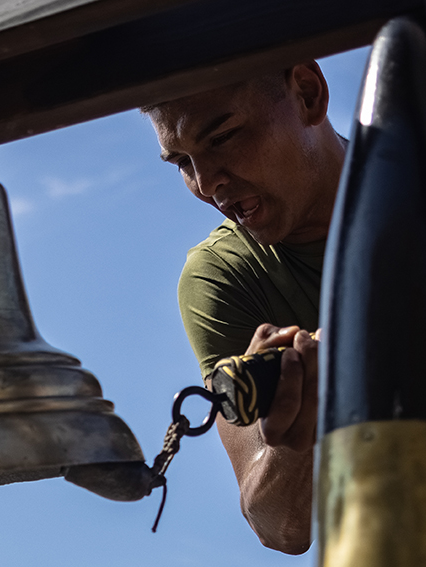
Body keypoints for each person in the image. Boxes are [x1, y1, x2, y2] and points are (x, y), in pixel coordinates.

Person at [143, 62, 347, 554]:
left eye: (223, 138)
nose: (207, 183)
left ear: (307, 93)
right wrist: (291, 444)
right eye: (182, 163)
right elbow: (279, 525)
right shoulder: (224, 276)